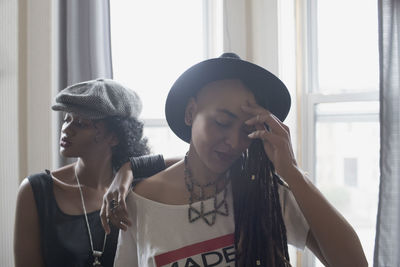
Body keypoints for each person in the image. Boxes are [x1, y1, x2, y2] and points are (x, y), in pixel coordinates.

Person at [112, 53, 368, 267]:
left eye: (247, 130)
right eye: (222, 122)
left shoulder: (267, 193)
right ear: (190, 113)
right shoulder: (138, 203)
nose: (234, 142)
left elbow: (354, 263)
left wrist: (292, 172)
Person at [13, 79, 169, 267]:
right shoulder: (36, 190)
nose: (66, 129)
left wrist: (128, 169)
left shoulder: (137, 188)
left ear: (115, 137)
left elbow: (190, 161)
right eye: (67, 119)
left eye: (80, 123)